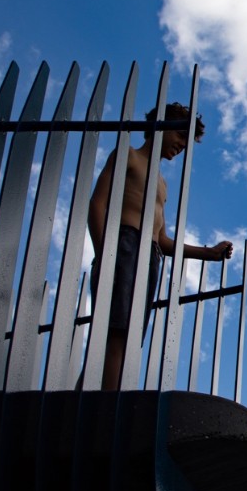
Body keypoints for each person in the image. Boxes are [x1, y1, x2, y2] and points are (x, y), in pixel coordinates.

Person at [88, 102, 234, 390]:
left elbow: (162, 239)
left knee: (128, 337)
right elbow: (98, 203)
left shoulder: (162, 184)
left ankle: (93, 401)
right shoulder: (128, 156)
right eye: (181, 136)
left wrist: (208, 254)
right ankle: (104, 406)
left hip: (150, 255)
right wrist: (105, 252)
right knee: (117, 333)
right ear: (162, 125)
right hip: (124, 246)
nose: (182, 145)